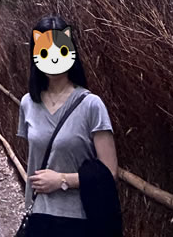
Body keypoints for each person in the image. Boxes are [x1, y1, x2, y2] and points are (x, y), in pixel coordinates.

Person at [16, 15, 119, 236]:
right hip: (38, 218)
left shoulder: (91, 105)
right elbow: (35, 159)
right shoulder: (28, 103)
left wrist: (62, 180)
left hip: (79, 221)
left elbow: (109, 172)